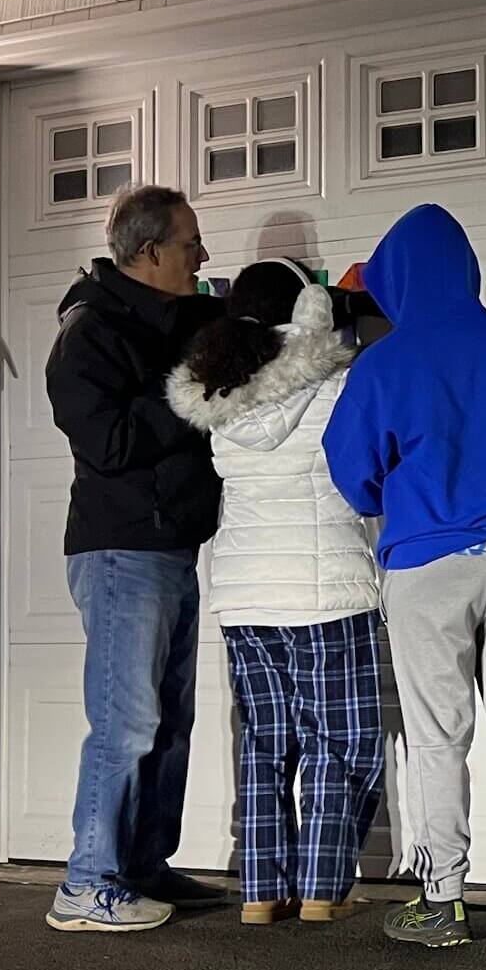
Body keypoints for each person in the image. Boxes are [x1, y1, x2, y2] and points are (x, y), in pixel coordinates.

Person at [322, 205, 486, 948]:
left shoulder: (387, 361)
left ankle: (443, 902)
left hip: (430, 560)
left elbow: (352, 471)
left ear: (399, 281)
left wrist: (406, 497)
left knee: (438, 738)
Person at [167, 260, 383, 927]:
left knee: (264, 740)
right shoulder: (335, 375)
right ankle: (322, 891)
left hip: (245, 595)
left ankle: (262, 892)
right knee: (339, 741)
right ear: (308, 304)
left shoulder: (220, 389)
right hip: (328, 594)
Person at [43, 186, 229, 932]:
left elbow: (236, 335)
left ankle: (144, 865)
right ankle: (86, 883)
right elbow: (109, 442)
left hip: (170, 546)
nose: (203, 256)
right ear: (149, 252)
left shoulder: (170, 319)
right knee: (125, 721)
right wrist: (187, 391)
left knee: (168, 721)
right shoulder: (89, 332)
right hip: (120, 550)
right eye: (191, 243)